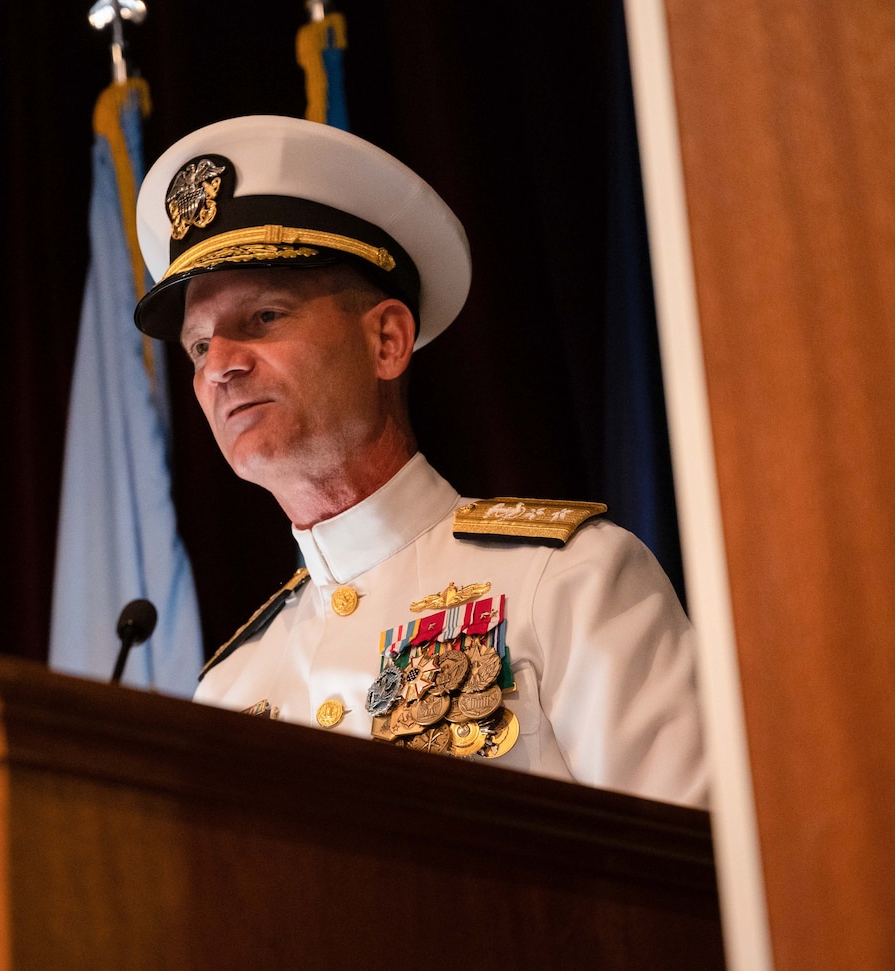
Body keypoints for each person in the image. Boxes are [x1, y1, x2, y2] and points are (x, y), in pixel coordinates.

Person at [133, 115, 707, 809]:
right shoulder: (229, 687)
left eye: (264, 317)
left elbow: (704, 878)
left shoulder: (566, 582)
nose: (220, 365)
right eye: (198, 347)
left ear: (387, 341)